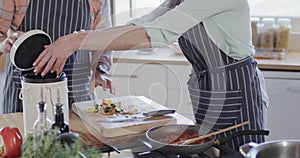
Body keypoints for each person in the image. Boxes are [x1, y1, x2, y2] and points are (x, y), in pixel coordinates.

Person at [33, 0, 269, 150]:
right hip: (207, 87)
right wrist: (80, 41)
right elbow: (139, 24)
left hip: (236, 90)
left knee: (234, 152)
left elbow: (153, 34)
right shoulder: (179, 1)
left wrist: (75, 42)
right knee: (207, 150)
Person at [0, 0, 114, 114]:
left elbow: (103, 40)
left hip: (77, 92)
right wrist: (5, 43)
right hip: (24, 92)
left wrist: (100, 70)